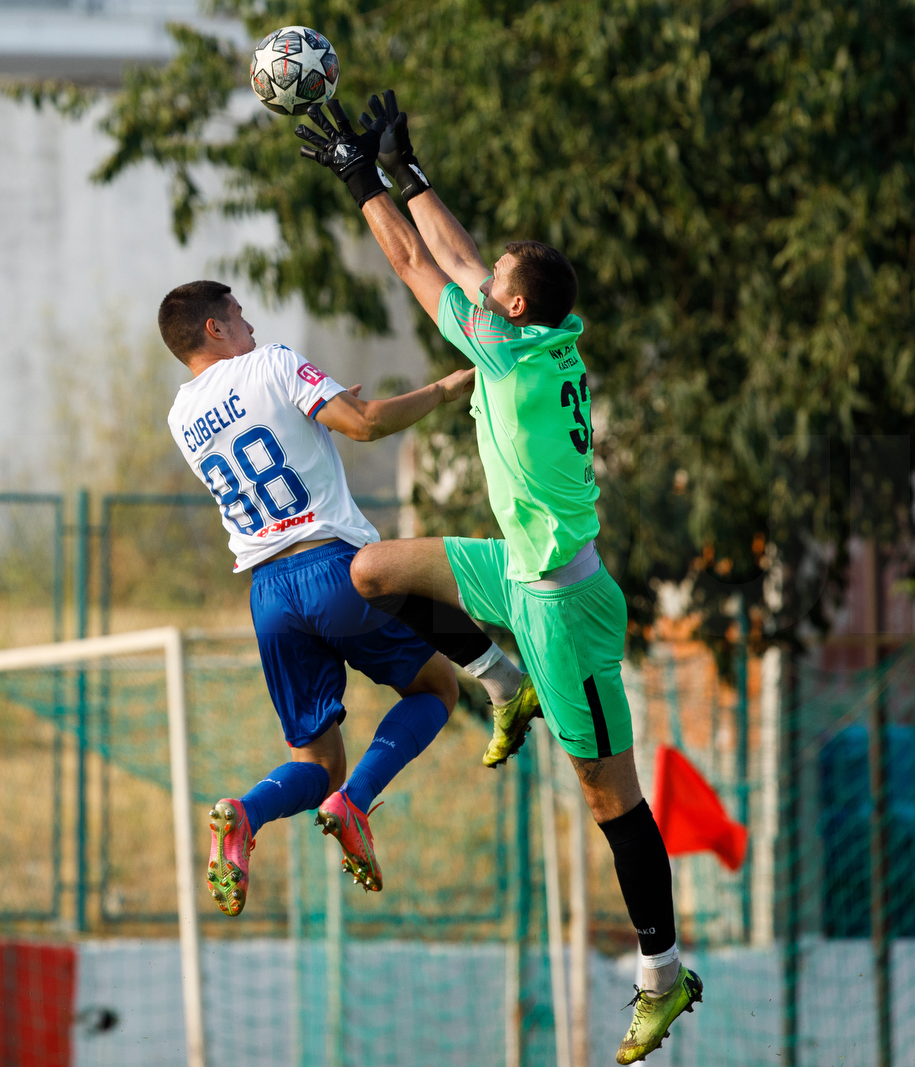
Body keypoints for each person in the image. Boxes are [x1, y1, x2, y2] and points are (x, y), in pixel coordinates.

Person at [296, 95, 702, 1063]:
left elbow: (411, 264)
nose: (479, 288)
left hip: (564, 606)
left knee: (611, 795)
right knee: (367, 570)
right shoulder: (543, 331)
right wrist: (410, 170)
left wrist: (357, 177)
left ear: (511, 311)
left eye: (496, 288)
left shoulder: (509, 356)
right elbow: (464, 260)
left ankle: (664, 970)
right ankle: (497, 678)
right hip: (515, 569)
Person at [161, 279, 474, 915]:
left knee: (317, 762)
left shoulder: (181, 416)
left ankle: (245, 813)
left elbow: (270, 434)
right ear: (215, 329)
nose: (251, 326)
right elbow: (362, 427)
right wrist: (445, 388)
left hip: (269, 593)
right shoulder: (271, 362)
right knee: (438, 686)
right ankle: (355, 804)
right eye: (239, 317)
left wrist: (318, 408)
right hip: (332, 568)